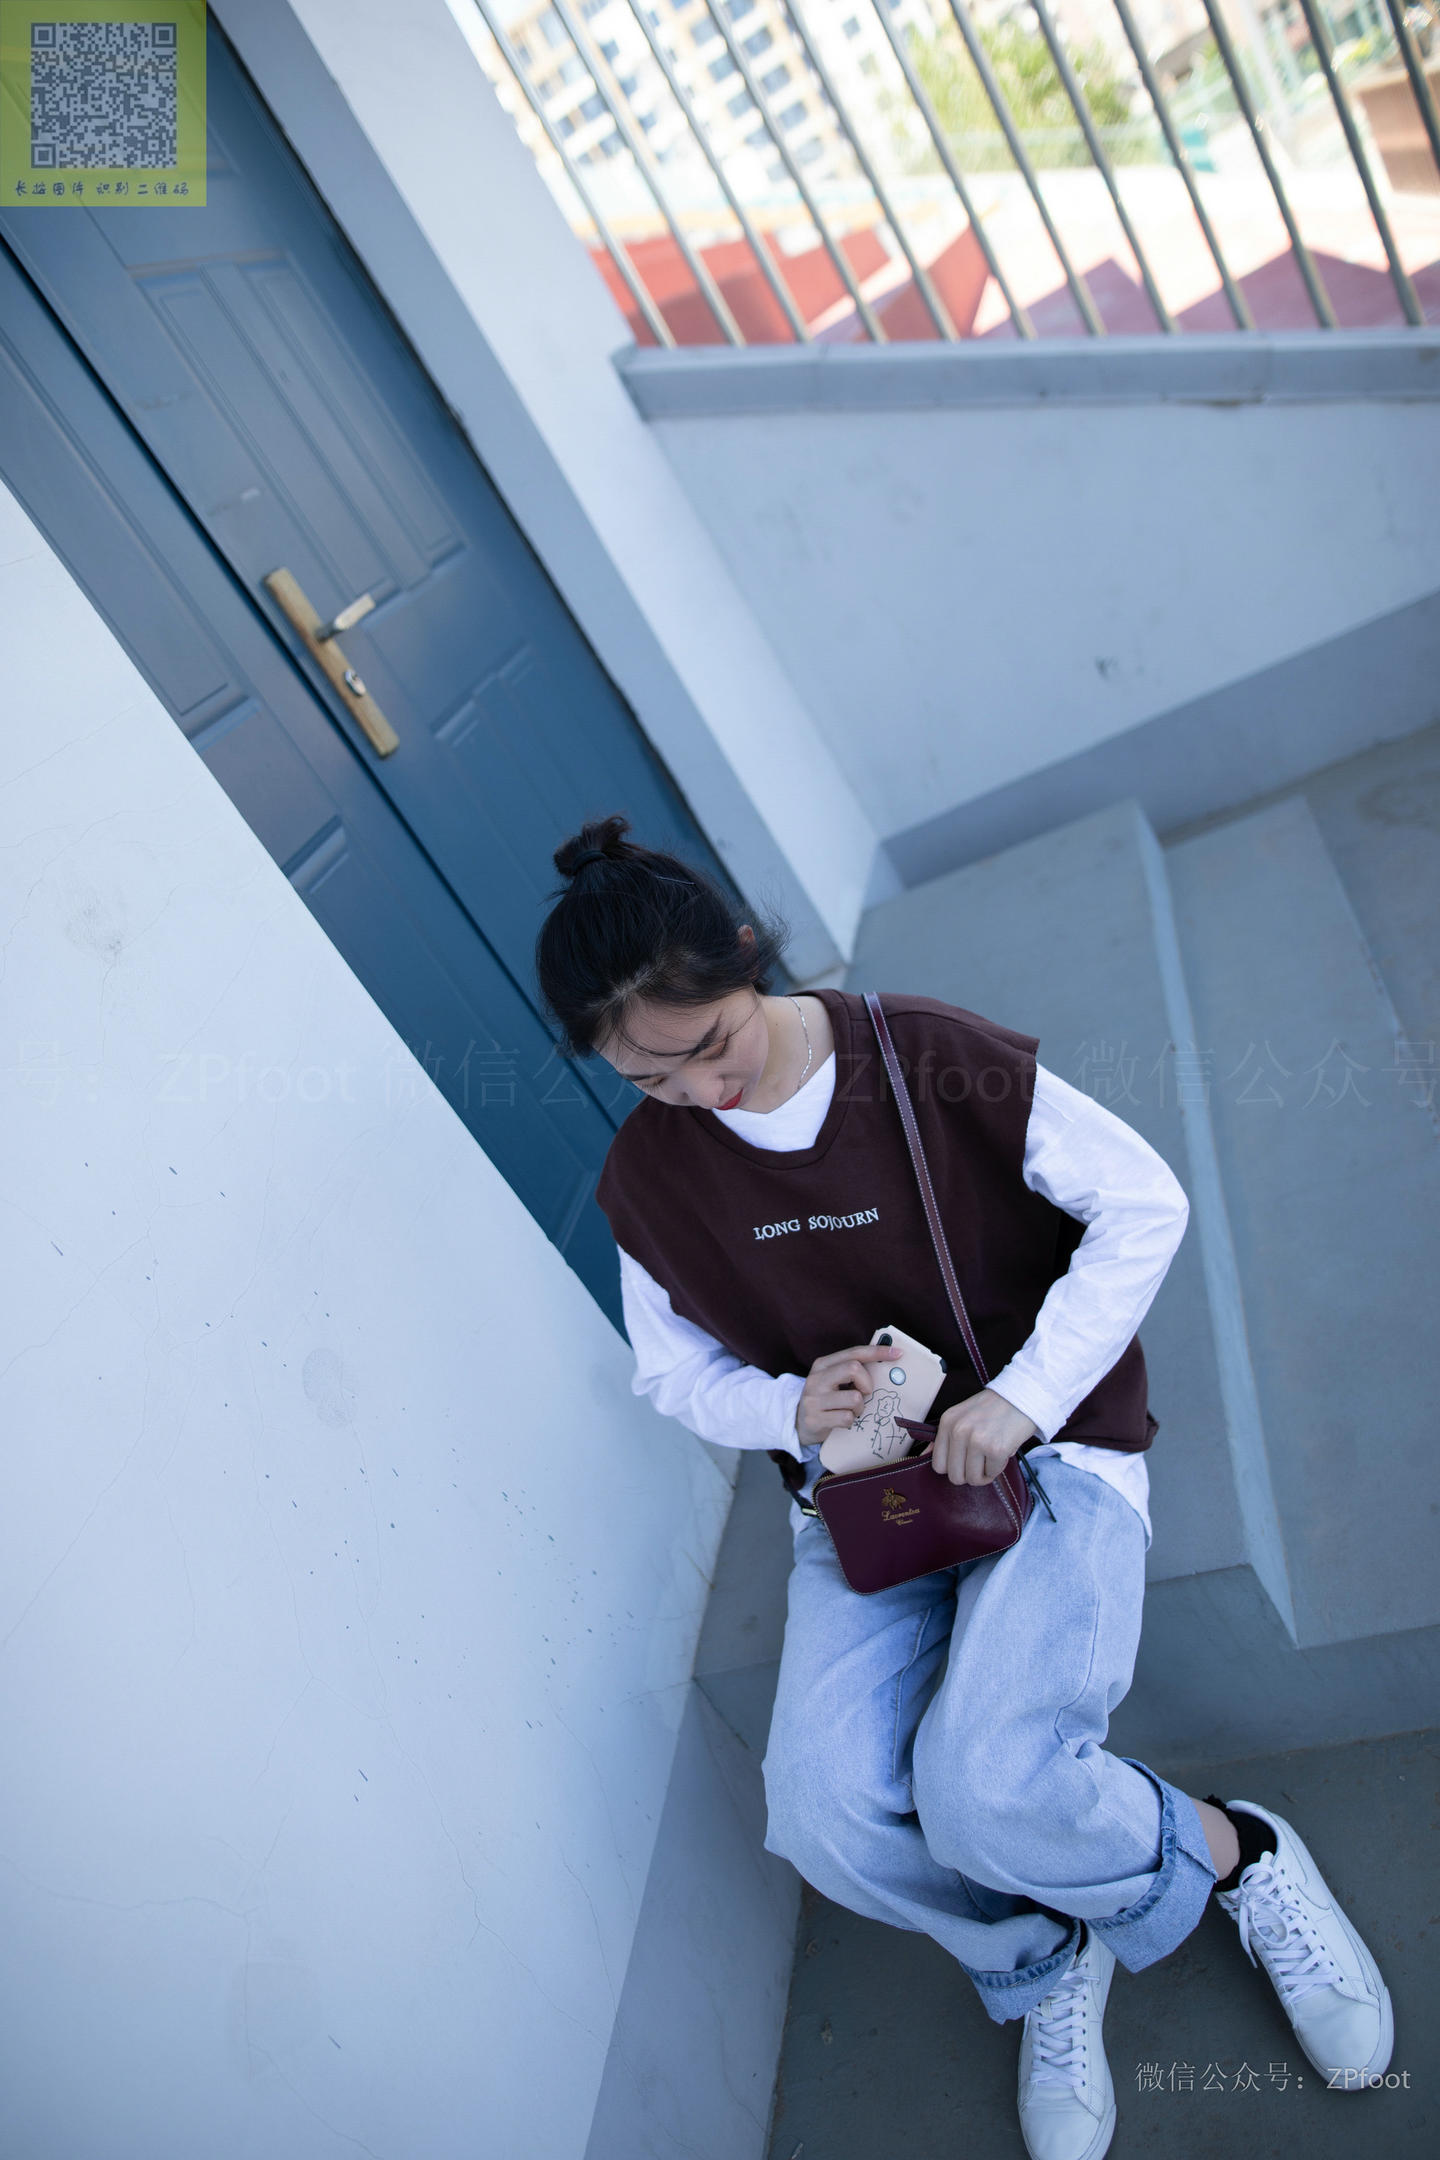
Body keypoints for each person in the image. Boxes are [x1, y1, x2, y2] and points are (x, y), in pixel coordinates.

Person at [536, 815, 1393, 2160]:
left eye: (709, 1044)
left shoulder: (923, 1057)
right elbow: (672, 1373)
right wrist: (784, 1405)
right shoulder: (649, 1177)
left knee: (984, 1786)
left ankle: (1239, 1854)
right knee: (821, 1815)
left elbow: (1144, 1203)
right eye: (646, 1077)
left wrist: (1024, 1396)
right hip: (868, 1505)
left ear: (747, 956)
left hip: (1046, 1459)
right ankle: (1038, 1954)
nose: (697, 1090)